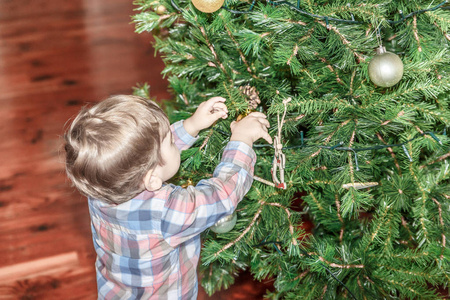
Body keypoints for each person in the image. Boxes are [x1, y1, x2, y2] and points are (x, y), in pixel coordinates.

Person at [64, 94, 272, 299]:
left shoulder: (102, 184)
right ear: (152, 179)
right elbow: (222, 195)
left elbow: (146, 155)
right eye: (171, 141)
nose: (173, 140)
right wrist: (242, 139)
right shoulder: (166, 211)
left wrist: (191, 125)